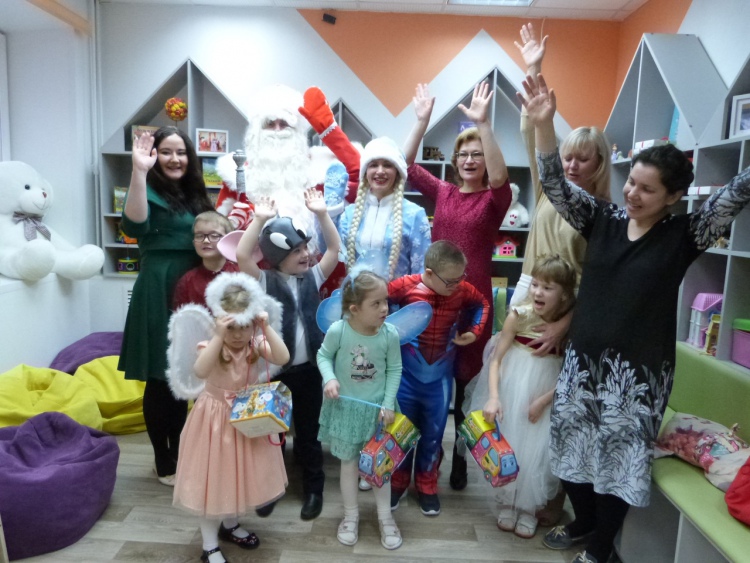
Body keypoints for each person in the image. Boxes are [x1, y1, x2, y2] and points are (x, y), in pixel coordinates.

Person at [519, 72, 750, 563]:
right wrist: (543, 125)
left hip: (639, 377)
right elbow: (555, 185)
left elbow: (734, 194)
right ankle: (584, 522)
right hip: (583, 365)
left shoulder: (686, 234)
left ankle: (600, 548)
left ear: (672, 197)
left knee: (618, 466)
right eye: (631, 183)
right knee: (571, 454)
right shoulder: (602, 218)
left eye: (647, 189)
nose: (632, 194)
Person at [513, 21, 612, 527]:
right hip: (528, 300)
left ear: (599, 164)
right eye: (567, 156)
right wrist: (535, 68)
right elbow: (534, 135)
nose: (570, 165)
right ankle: (517, 492)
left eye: (582, 159)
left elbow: (597, 285)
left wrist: (563, 325)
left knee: (549, 406)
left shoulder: (603, 215)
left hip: (566, 314)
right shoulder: (548, 190)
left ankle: (551, 500)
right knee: (517, 396)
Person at [404, 81, 512, 491]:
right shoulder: (444, 193)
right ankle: (422, 457)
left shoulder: (494, 201)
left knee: (466, 385)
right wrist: (421, 121)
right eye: (464, 154)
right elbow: (405, 164)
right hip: (433, 301)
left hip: (472, 302)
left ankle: (461, 456)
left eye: (477, 155)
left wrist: (483, 125)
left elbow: (500, 178)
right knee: (428, 378)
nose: (470, 160)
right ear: (454, 161)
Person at [233, 187, 341, 520]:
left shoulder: (314, 276)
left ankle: (314, 489)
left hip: (309, 372)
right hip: (274, 374)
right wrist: (259, 219)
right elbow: (242, 256)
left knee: (309, 435)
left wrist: (321, 214)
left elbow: (334, 249)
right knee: (273, 434)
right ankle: (270, 488)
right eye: (297, 250)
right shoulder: (264, 280)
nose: (306, 254)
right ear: (277, 256)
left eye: (305, 247)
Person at [118, 126, 214, 486]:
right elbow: (133, 225)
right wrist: (138, 171)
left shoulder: (195, 194)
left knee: (187, 374)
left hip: (195, 286)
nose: (175, 159)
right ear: (154, 156)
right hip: (159, 287)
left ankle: (182, 450)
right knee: (161, 377)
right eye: (167, 152)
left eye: (181, 152)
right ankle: (164, 458)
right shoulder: (145, 188)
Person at [172, 273, 290, 563]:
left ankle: (231, 524)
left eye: (244, 327)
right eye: (231, 327)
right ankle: (209, 545)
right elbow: (200, 371)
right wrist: (217, 335)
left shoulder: (255, 344)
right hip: (214, 422)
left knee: (239, 477)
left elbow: (283, 357)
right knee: (213, 482)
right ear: (220, 323)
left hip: (246, 419)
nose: (238, 335)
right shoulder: (211, 347)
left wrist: (264, 326)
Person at [467, 255, 576, 539]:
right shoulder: (518, 315)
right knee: (511, 445)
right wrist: (494, 397)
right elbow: (496, 360)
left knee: (538, 450)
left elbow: (573, 371)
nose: (538, 292)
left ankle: (529, 508)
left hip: (547, 394)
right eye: (536, 284)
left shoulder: (569, 327)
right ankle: (507, 501)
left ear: (564, 295)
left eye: (548, 288)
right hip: (513, 389)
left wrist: (544, 400)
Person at [387, 240, 490, 516]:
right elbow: (377, 301)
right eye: (451, 281)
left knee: (433, 435)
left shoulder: (461, 289)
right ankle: (397, 481)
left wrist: (474, 332)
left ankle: (427, 483)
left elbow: (482, 303)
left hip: (440, 381)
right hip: (405, 378)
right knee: (400, 432)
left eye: (461, 278)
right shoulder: (404, 286)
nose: (457, 285)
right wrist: (388, 329)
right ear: (430, 273)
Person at [317, 270, 404, 550]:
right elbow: (323, 355)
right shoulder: (339, 331)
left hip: (379, 413)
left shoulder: (389, 334)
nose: (385, 308)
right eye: (376, 303)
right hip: (346, 411)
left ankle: (385, 517)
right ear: (354, 309)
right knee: (349, 464)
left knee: (381, 466)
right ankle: (350, 516)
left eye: (385, 301)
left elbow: (395, 369)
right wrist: (329, 378)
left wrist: (388, 403)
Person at [339, 136, 431, 281]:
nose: (380, 171)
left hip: (400, 296)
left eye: (387, 165)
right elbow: (331, 254)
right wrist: (328, 213)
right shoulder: (349, 214)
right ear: (365, 172)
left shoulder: (415, 215)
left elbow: (421, 272)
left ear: (397, 172)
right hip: (355, 295)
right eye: (373, 165)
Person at [172, 211, 238, 310]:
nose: (206, 241)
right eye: (199, 236)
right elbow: (180, 317)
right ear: (194, 242)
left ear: (228, 239)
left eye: (214, 235)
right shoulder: (187, 282)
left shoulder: (240, 275)